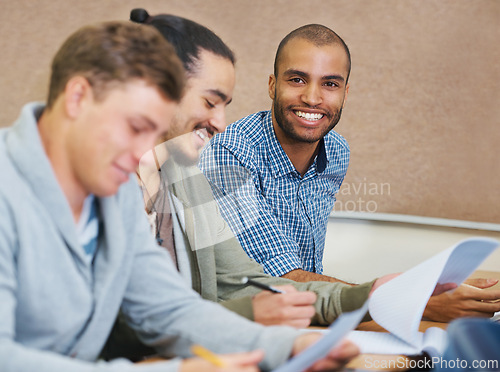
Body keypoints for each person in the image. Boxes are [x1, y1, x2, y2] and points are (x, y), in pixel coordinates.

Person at [0, 21, 359, 372]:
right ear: (77, 97)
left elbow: (167, 309)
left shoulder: (118, 185)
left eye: (155, 134)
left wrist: (288, 348)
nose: (144, 152)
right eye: (137, 127)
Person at [199, 24, 500, 321]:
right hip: (239, 325)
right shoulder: (229, 154)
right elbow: (277, 277)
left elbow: (305, 273)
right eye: (297, 80)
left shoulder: (336, 151)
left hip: (306, 318)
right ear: (272, 85)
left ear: (345, 92)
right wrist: (411, 300)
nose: (313, 99)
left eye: (330, 84)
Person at [127, 9, 378, 331]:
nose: (220, 124)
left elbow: (240, 281)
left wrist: (376, 297)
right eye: (209, 102)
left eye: (224, 106)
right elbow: (138, 323)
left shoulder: (184, 176)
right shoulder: (222, 155)